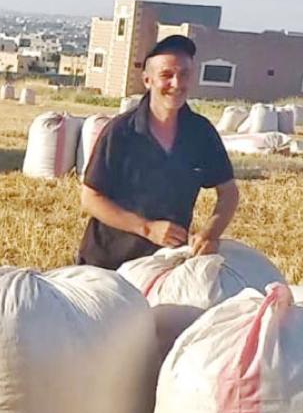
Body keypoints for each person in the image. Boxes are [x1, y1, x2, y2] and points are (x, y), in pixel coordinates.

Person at [75, 35, 240, 270]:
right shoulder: (121, 132)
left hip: (165, 264)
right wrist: (146, 228)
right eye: (166, 75)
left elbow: (229, 192)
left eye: (184, 74)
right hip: (108, 265)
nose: (176, 83)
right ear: (147, 80)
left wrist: (209, 234)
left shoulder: (201, 132)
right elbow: (91, 198)